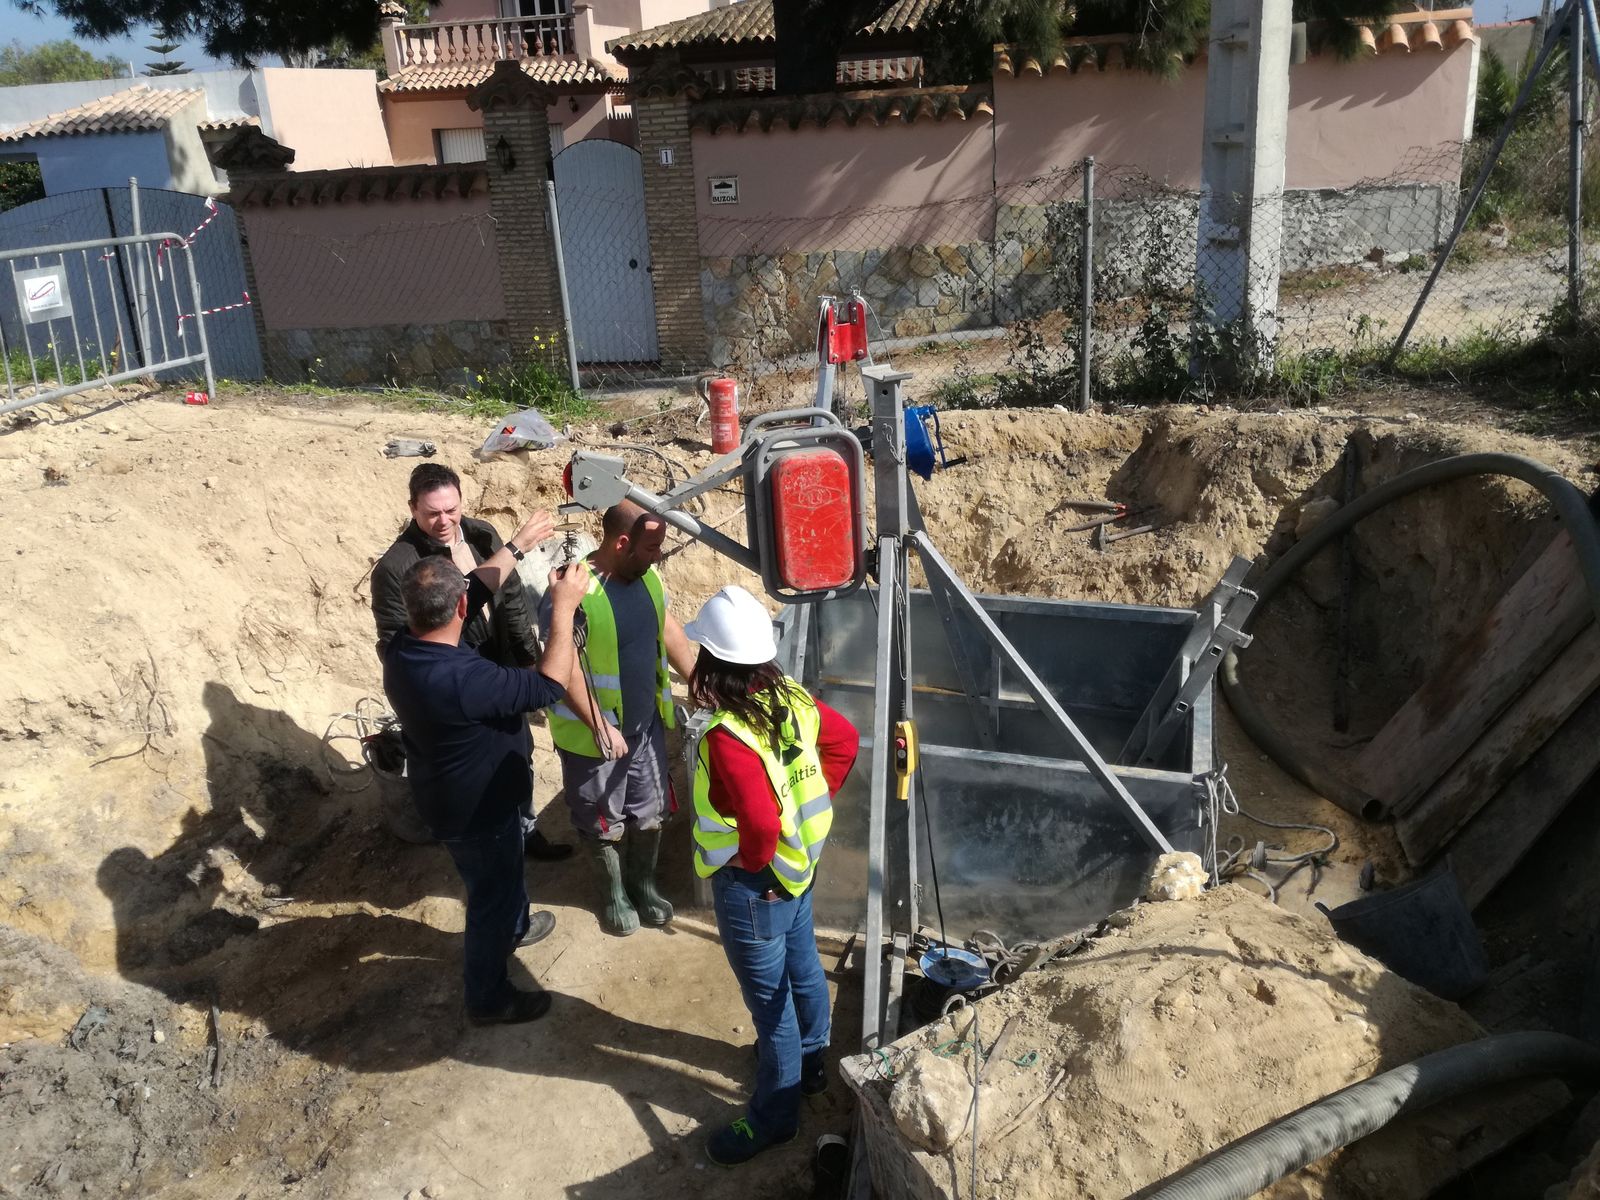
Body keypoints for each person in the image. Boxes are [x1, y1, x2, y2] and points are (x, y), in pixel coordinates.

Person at [382, 508, 588, 1025]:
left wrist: (516, 547)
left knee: (501, 880)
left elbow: (471, 589)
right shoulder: (464, 679)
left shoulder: (405, 646)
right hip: (478, 812)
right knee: (489, 901)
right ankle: (488, 998)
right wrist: (563, 608)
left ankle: (515, 927)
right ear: (457, 609)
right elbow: (548, 685)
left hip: (450, 795)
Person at [684, 585, 860, 1166]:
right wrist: (806, 817)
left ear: (712, 661)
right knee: (803, 966)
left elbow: (759, 822)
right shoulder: (792, 697)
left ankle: (775, 1117)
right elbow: (844, 741)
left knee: (771, 1006)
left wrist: (753, 859)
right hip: (799, 871)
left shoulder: (728, 736)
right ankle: (812, 1064)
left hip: (757, 888)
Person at [372, 462, 572, 862]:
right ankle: (495, 846)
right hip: (455, 684)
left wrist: (525, 658)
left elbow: (506, 596)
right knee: (474, 770)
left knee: (518, 750)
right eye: (432, 513)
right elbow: (399, 642)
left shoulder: (481, 535)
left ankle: (525, 830)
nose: (444, 521)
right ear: (412, 508)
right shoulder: (397, 567)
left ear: (462, 501)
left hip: (495, 665)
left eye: (451, 509)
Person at [541, 500, 699, 936]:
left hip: (644, 729)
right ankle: (614, 894)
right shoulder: (573, 591)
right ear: (621, 543)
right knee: (601, 821)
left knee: (650, 812)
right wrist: (599, 724)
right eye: (651, 548)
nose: (658, 556)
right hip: (593, 738)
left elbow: (666, 625)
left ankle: (643, 885)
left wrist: (696, 679)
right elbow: (563, 666)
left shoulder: (647, 577)